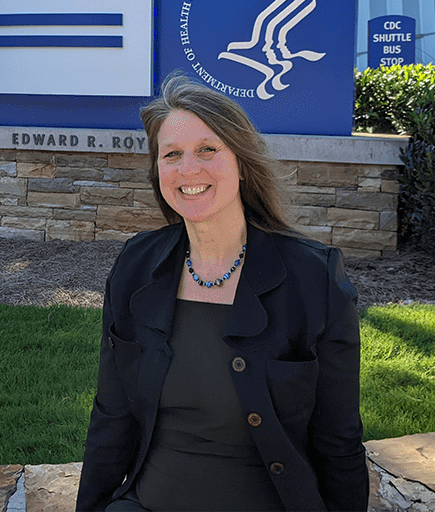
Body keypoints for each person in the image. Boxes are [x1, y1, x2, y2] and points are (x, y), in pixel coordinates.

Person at [76, 75, 368, 512]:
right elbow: (111, 417)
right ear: (158, 172)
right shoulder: (135, 266)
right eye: (171, 155)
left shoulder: (313, 277)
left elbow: (338, 439)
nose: (188, 169)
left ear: (241, 160)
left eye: (207, 150)